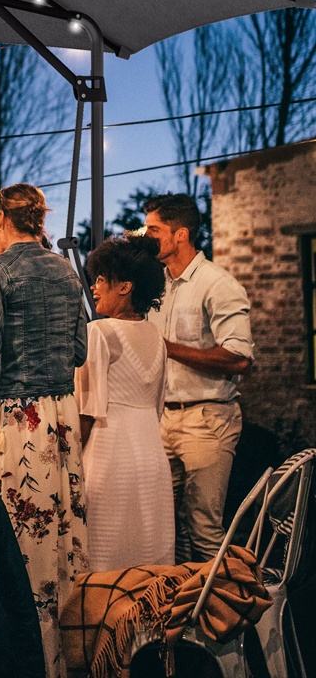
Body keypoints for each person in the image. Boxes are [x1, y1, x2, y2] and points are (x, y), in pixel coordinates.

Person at [0, 183, 88, 678]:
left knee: (21, 544)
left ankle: (27, 662)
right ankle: (70, 657)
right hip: (62, 419)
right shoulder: (66, 270)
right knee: (62, 539)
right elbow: (78, 350)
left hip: (19, 423)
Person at [144, 193, 254, 562]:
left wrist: (168, 348)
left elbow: (239, 358)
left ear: (181, 234)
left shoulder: (217, 284)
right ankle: (178, 614)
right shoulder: (155, 286)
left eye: (154, 230)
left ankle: (221, 616)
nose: (148, 237)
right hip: (162, 420)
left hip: (208, 420)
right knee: (162, 527)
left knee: (203, 527)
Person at [74, 236, 174, 571]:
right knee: (148, 556)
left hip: (109, 455)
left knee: (106, 559)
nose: (94, 286)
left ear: (125, 287)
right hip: (151, 458)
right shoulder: (157, 339)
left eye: (102, 279)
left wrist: (70, 465)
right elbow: (157, 406)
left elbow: (86, 411)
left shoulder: (100, 333)